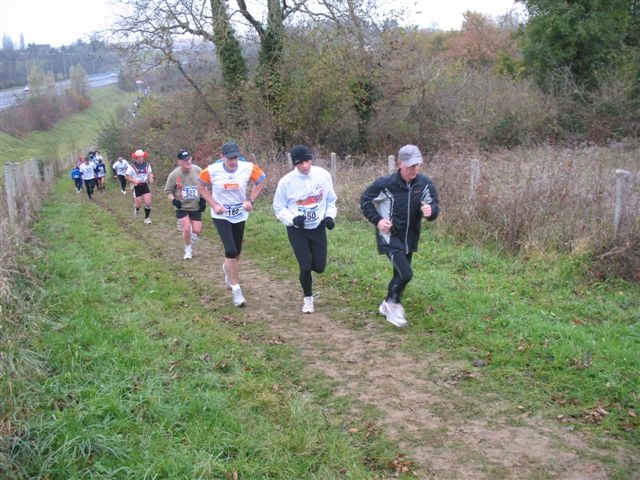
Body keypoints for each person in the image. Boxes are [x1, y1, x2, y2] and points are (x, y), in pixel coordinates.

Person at [360, 144, 440, 328]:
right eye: (410, 165)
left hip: (410, 238)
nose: (414, 168)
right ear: (399, 163)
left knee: (400, 274)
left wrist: (431, 211)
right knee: (406, 274)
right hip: (390, 236)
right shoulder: (385, 184)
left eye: (417, 164)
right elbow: (365, 201)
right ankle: (392, 304)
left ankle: (387, 304)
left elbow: (434, 205)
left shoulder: (424, 183)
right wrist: (378, 221)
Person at [197, 141, 266, 307]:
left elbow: (261, 180)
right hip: (221, 215)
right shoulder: (212, 170)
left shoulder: (247, 167)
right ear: (222, 157)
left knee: (237, 252)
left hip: (239, 214)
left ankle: (228, 269)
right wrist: (213, 204)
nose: (233, 162)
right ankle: (236, 290)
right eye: (229, 158)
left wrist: (251, 200)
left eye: (235, 158)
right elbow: (200, 185)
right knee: (230, 250)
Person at [273, 145, 337, 314]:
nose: (305, 166)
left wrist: (330, 217)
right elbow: (278, 208)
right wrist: (292, 219)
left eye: (307, 161)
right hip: (297, 230)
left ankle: (308, 276)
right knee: (305, 265)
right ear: (294, 164)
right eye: (300, 163)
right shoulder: (286, 182)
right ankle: (308, 298)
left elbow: (331, 200)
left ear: (311, 160)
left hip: (317, 227)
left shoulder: (323, 175)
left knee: (320, 267)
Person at [164, 149, 206, 260]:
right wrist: (174, 200)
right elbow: (168, 191)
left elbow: (204, 186)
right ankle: (188, 250)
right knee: (186, 228)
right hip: (181, 206)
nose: (188, 162)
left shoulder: (198, 170)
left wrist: (203, 199)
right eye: (185, 160)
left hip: (195, 205)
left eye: (189, 159)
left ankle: (192, 234)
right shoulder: (174, 174)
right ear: (179, 162)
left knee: (196, 230)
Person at [125, 149, 154, 224]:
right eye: (139, 157)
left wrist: (151, 178)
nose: (141, 158)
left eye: (142, 157)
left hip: (145, 185)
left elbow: (150, 173)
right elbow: (127, 176)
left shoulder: (147, 165)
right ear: (136, 158)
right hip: (136, 186)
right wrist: (134, 180)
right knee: (139, 204)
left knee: (148, 202)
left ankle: (147, 218)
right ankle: (137, 209)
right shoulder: (132, 167)